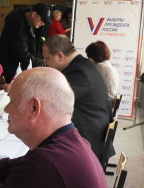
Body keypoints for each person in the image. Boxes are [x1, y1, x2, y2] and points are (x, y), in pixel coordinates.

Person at [43, 34, 113, 163]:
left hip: (90, 141)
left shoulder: (79, 71)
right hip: (92, 131)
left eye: (47, 58)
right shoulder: (81, 65)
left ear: (60, 56)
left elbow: (54, 99)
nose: (45, 63)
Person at [0, 3, 51, 83]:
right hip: (7, 74)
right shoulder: (16, 25)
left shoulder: (30, 23)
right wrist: (46, 64)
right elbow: (22, 55)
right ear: (34, 14)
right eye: (42, 20)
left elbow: (37, 43)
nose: (43, 24)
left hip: (16, 71)